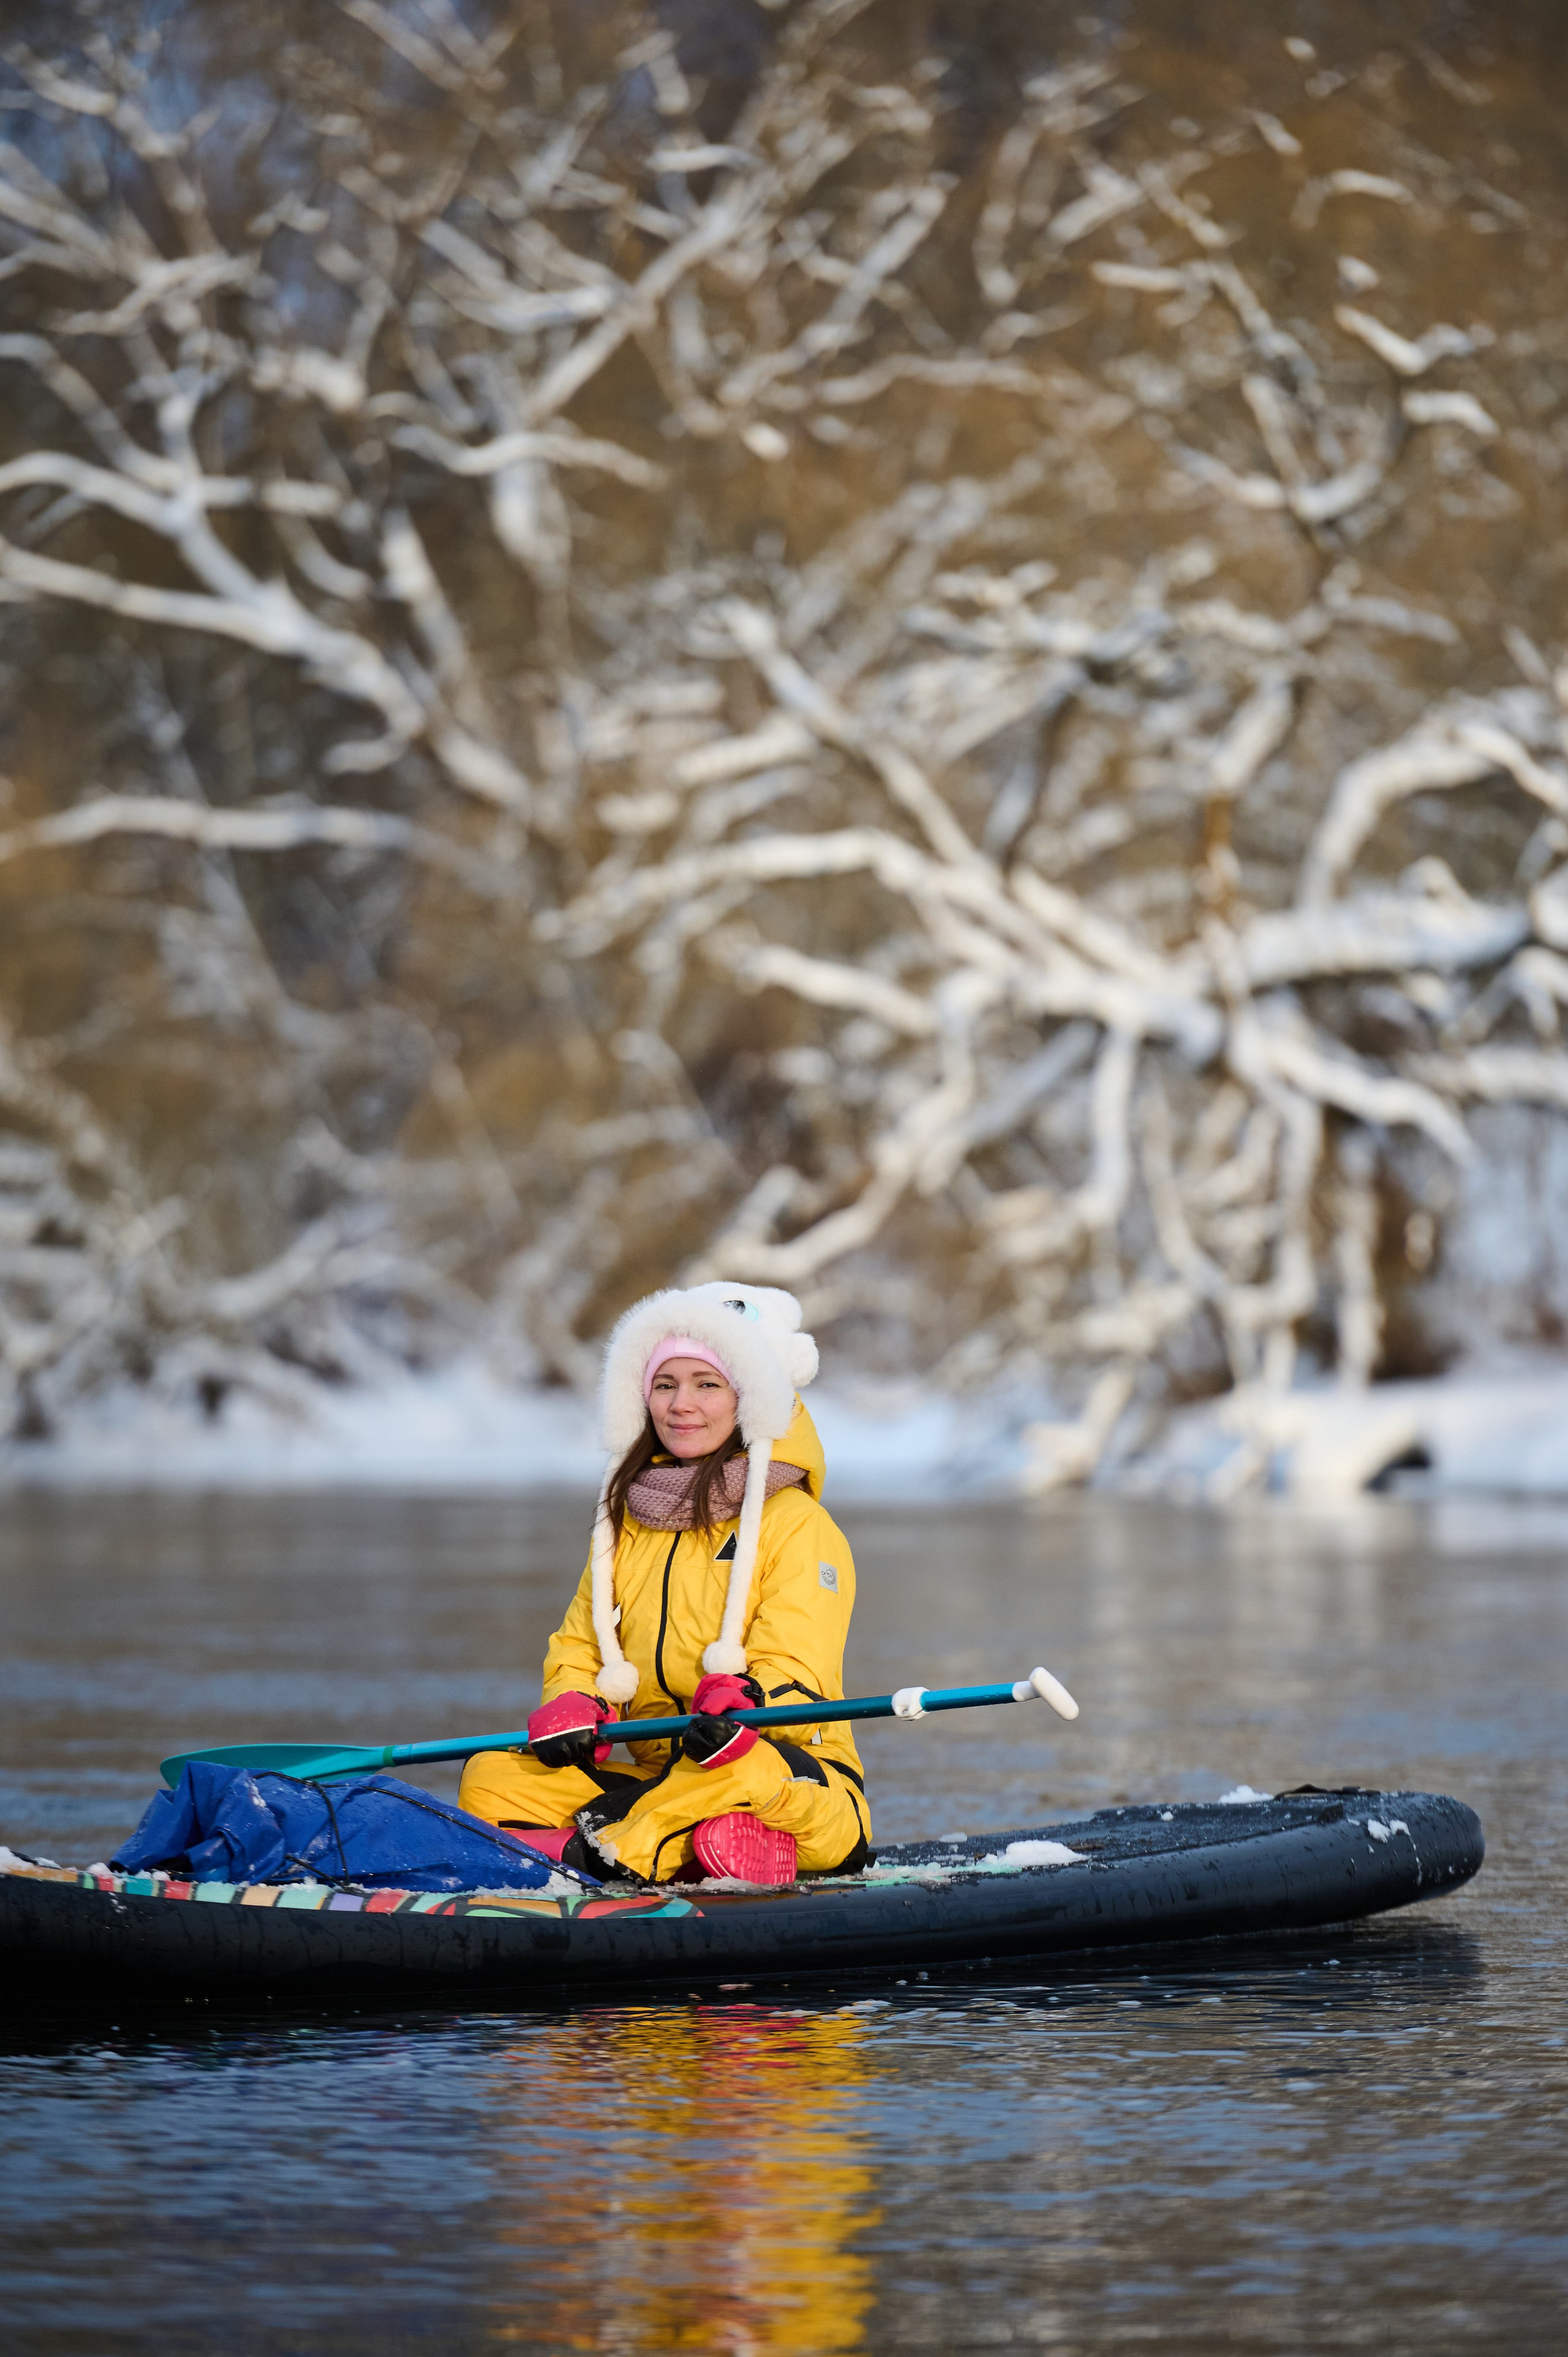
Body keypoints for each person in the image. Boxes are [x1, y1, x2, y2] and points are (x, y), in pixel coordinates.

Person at [459, 1282, 871, 1887]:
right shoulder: (624, 1523)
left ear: (750, 1397)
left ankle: (578, 1859)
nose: (681, 1404)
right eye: (664, 1383)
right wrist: (577, 1701)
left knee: (737, 1775)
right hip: (661, 1780)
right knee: (491, 1773)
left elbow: (799, 1668)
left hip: (784, 1773)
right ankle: (701, 1850)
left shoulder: (799, 1523)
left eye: (707, 1384)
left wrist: (749, 1699)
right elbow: (581, 1645)